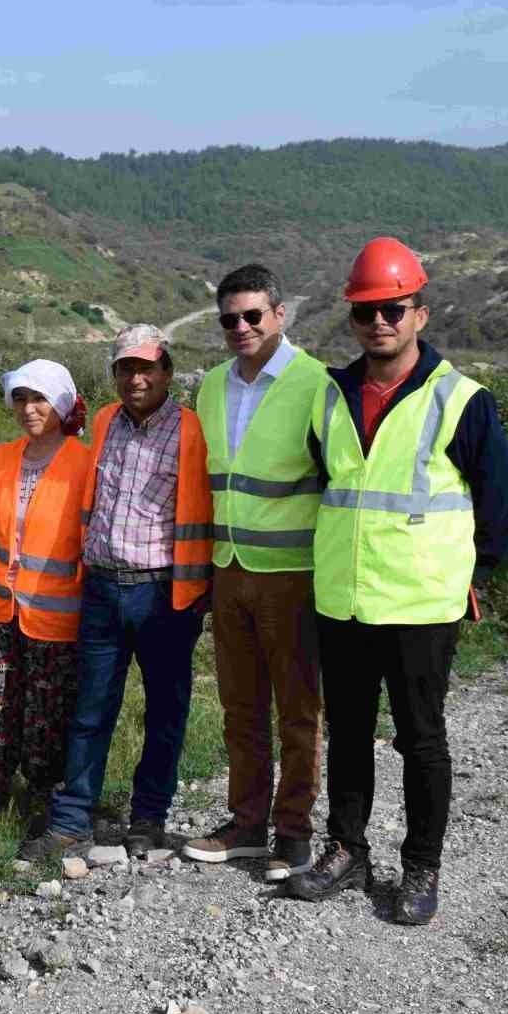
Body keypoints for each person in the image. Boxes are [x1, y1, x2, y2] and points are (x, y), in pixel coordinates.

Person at [287, 237, 508, 925]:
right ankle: (347, 849)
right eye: (366, 312)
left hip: (421, 607)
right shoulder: (330, 397)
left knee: (420, 739)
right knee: (350, 734)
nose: (379, 323)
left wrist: (460, 576)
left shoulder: (462, 402)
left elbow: (502, 513)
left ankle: (421, 866)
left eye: (393, 309)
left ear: (421, 312)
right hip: (345, 601)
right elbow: (331, 485)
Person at [19, 325, 214, 861]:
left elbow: (208, 511)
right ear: (114, 375)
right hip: (103, 588)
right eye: (126, 367)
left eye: (147, 367)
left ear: (167, 373)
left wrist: (201, 590)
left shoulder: (193, 431)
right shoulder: (104, 423)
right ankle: (71, 820)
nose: (136, 377)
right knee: (91, 708)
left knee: (164, 712)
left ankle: (148, 819)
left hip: (164, 596)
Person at [185, 265, 327, 881]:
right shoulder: (212, 387)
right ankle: (246, 824)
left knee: (298, 710)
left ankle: (293, 834)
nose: (240, 328)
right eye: (229, 319)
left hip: (292, 572)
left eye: (252, 316)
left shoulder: (317, 384)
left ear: (279, 315)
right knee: (240, 707)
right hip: (230, 570)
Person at [0, 359, 91, 817]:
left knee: (48, 711)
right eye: (20, 398)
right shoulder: (4, 457)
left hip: (57, 615)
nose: (28, 408)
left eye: (39, 397)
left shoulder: (84, 463)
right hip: (4, 609)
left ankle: (43, 795)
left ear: (60, 402)